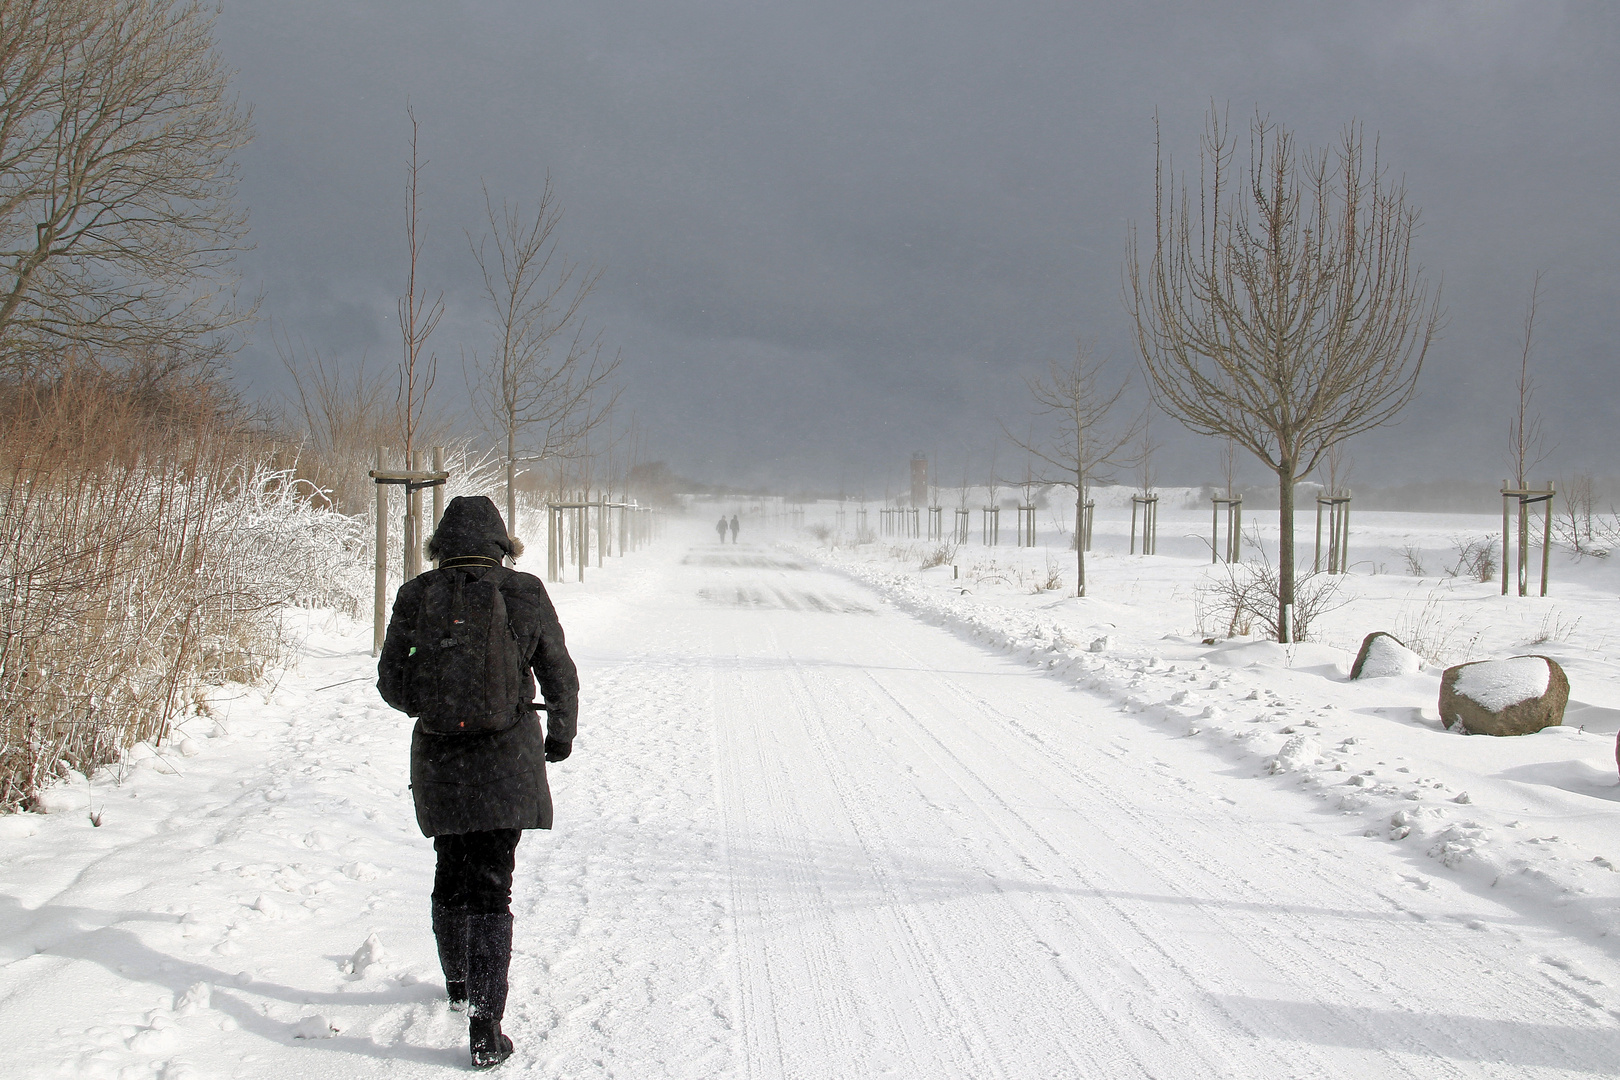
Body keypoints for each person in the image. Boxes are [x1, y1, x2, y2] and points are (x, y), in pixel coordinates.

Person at [377, 495, 578, 1070]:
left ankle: (460, 986)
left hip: (441, 760)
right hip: (506, 760)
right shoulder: (524, 591)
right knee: (493, 884)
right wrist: (558, 733)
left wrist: (431, 704)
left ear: (440, 546)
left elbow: (391, 680)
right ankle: (487, 1026)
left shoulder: (417, 594)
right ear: (501, 544)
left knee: (451, 870)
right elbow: (558, 670)